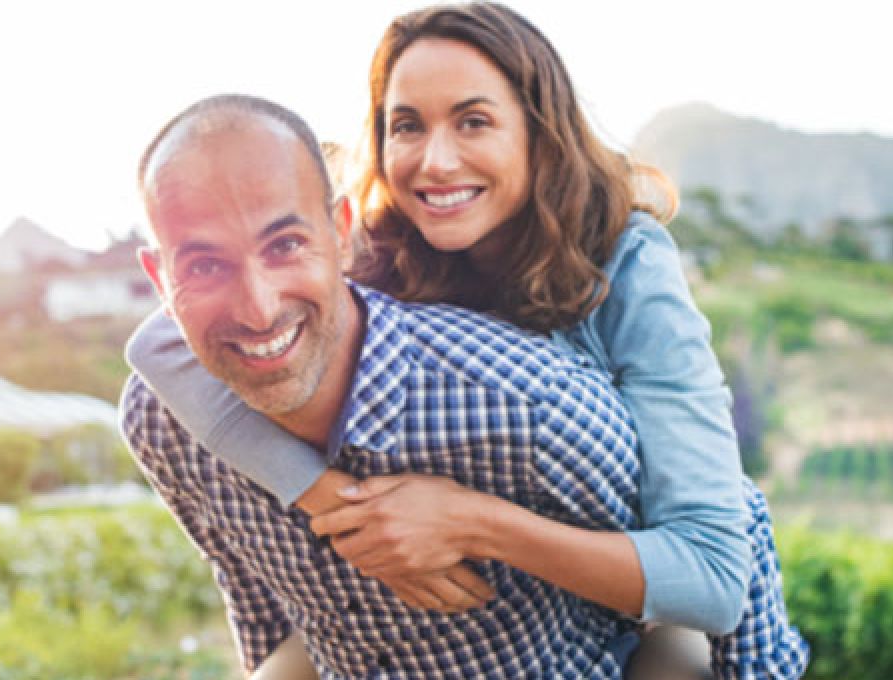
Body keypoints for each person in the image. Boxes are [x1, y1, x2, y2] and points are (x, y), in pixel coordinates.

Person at [128, 4, 808, 678]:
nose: (436, 162)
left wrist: (470, 522)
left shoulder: (627, 264)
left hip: (640, 603)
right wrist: (322, 496)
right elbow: (159, 346)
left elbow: (713, 576)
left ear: (538, 134)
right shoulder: (373, 249)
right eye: (407, 127)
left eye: (473, 121)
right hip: (430, 608)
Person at [125, 93, 678, 678]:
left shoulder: (528, 404)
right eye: (205, 266)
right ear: (160, 280)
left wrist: (483, 524)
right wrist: (316, 491)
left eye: (285, 245)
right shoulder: (162, 421)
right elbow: (262, 612)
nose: (258, 310)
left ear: (341, 234)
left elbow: (711, 565)